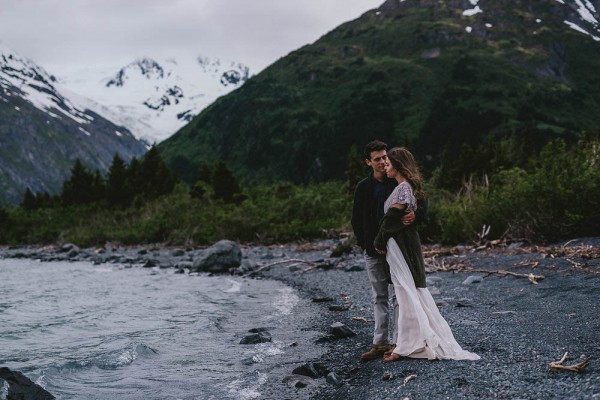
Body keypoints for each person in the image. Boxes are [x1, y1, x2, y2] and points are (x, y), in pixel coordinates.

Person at [374, 147, 480, 362]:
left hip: (400, 244)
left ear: (399, 165)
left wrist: (379, 239)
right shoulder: (403, 187)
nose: (386, 166)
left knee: (406, 291)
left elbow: (392, 218)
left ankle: (406, 345)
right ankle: (411, 342)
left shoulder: (403, 188)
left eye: (389, 163)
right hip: (399, 242)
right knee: (407, 290)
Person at [351, 140, 427, 361]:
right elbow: (356, 219)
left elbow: (420, 202)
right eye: (378, 159)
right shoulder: (363, 188)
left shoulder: (397, 182)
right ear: (368, 162)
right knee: (379, 296)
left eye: (385, 157)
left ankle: (397, 342)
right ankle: (380, 342)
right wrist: (367, 244)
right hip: (373, 250)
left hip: (396, 247)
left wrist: (417, 216)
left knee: (397, 295)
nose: (383, 162)